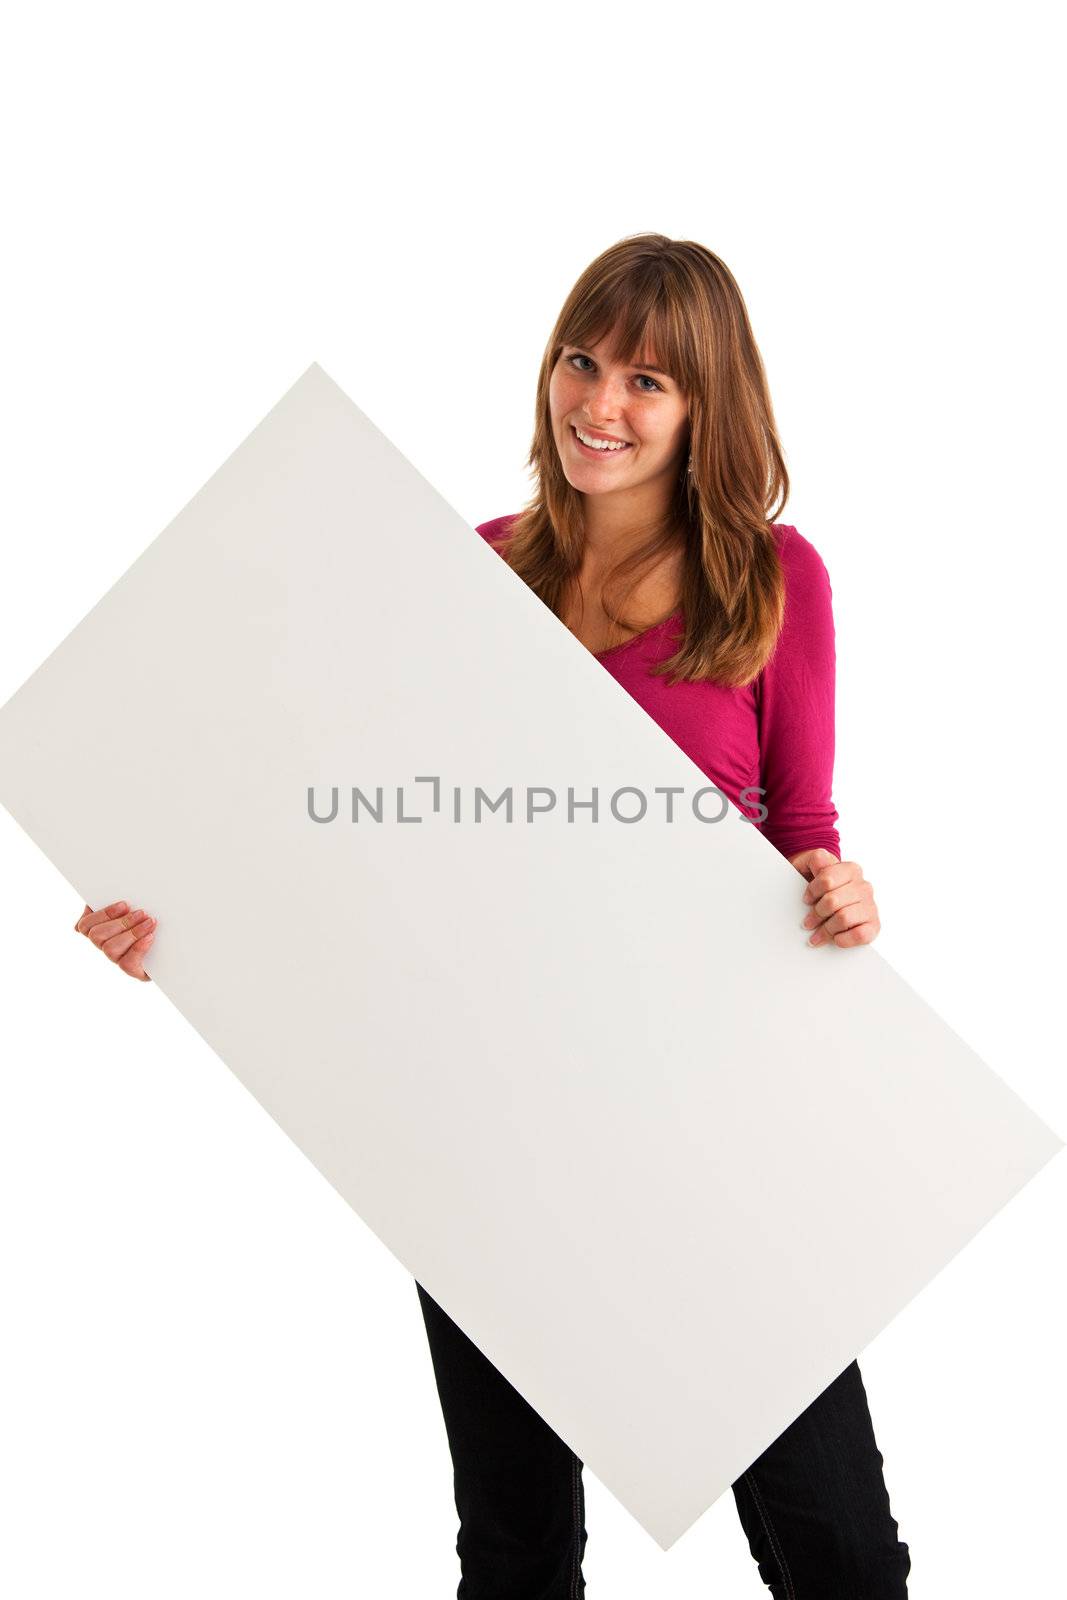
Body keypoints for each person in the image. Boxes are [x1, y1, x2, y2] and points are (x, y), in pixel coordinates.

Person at [72, 232, 912, 1598]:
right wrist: (179, 922)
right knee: (516, 1551)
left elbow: (804, 832)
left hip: (718, 1129)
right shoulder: (477, 569)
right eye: (582, 362)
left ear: (708, 404)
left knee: (834, 1547)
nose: (599, 403)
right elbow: (367, 842)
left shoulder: (774, 577)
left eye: (648, 380)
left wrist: (841, 893)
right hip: (491, 1126)